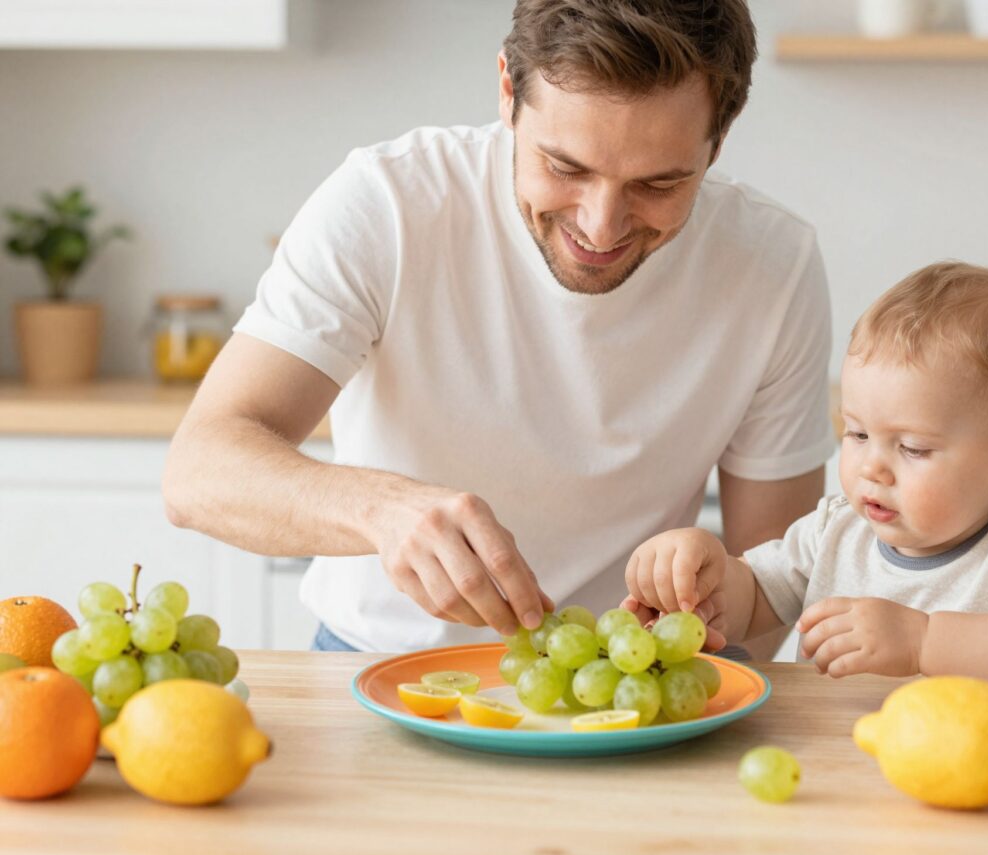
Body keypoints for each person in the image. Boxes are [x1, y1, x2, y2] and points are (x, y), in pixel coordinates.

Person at [162, 0, 836, 653]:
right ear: (508, 90)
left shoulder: (773, 265)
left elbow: (774, 578)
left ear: (723, 130)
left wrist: (703, 639)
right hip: (371, 659)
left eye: (658, 185)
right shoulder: (389, 204)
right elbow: (199, 471)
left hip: (624, 682)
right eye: (565, 168)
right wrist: (380, 509)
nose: (601, 226)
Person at [622, 262, 988, 687]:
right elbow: (753, 599)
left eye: (912, 447)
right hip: (832, 773)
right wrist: (701, 578)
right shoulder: (835, 531)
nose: (871, 467)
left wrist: (923, 641)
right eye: (858, 434)